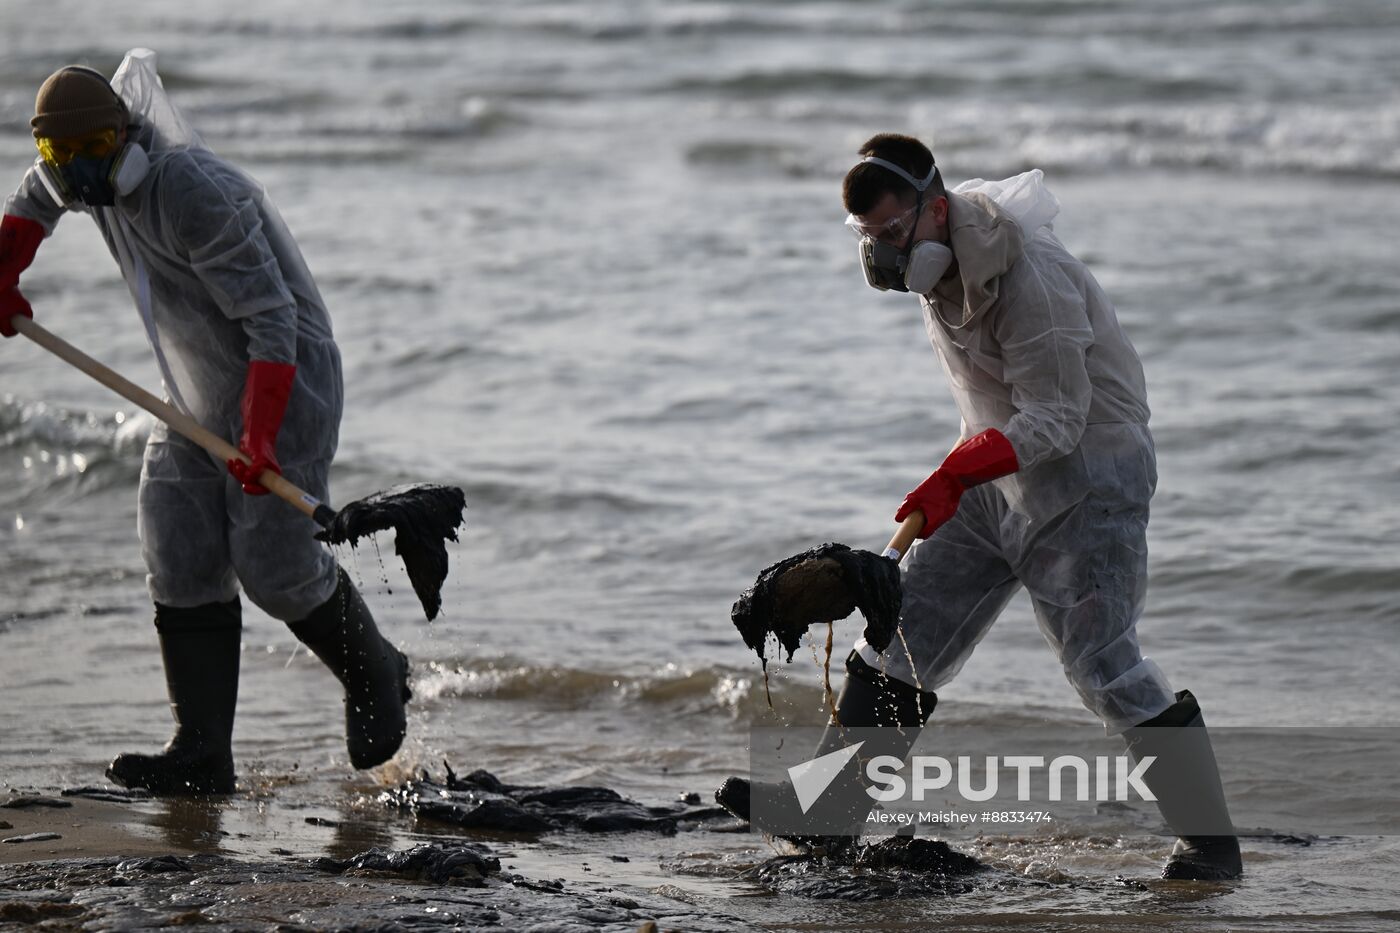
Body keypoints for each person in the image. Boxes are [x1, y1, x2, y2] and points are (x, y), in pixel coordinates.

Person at [718, 134, 1241, 881]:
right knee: (905, 631)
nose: (886, 256)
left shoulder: (1035, 277)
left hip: (1092, 479)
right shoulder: (937, 274)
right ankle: (827, 817)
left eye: (895, 234)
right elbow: (992, 407)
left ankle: (1213, 845)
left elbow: (1059, 415)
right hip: (997, 479)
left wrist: (957, 472)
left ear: (937, 209)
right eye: (871, 240)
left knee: (1103, 664)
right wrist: (948, 482)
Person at [0, 50, 410, 795]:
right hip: (193, 387)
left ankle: (379, 671)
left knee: (276, 569)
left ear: (122, 140)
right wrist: (2, 275)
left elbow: (272, 319)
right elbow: (31, 204)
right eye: (62, 155)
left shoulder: (191, 191)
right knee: (176, 541)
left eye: (94, 152)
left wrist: (259, 434)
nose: (81, 173)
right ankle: (200, 751)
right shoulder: (69, 176)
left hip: (284, 376)